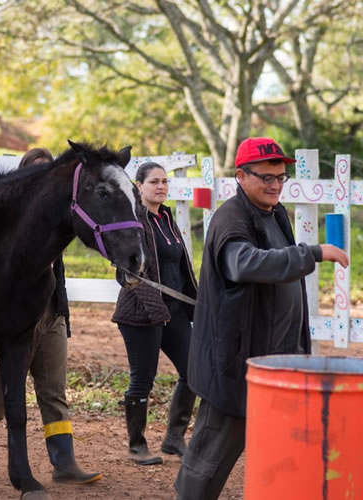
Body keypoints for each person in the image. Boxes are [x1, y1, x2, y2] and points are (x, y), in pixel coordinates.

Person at [174, 137, 349, 500]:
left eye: (280, 178)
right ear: (240, 176)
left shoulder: (274, 212)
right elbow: (244, 263)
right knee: (208, 459)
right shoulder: (230, 219)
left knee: (280, 449)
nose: (274, 185)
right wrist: (314, 252)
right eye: (265, 177)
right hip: (236, 362)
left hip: (276, 360)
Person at [0, 148, 101, 485]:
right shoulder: (9, 226)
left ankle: (64, 464)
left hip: (52, 313)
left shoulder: (58, 221)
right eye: (37, 173)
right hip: (14, 321)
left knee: (54, 390)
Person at [111, 162, 198, 466]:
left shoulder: (167, 218)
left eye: (164, 182)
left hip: (173, 312)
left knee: (193, 371)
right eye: (153, 182)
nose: (161, 187)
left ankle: (174, 438)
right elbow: (125, 273)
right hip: (140, 313)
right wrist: (156, 306)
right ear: (138, 187)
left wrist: (196, 307)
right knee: (142, 380)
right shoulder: (131, 221)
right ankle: (137, 446)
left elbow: (182, 267)